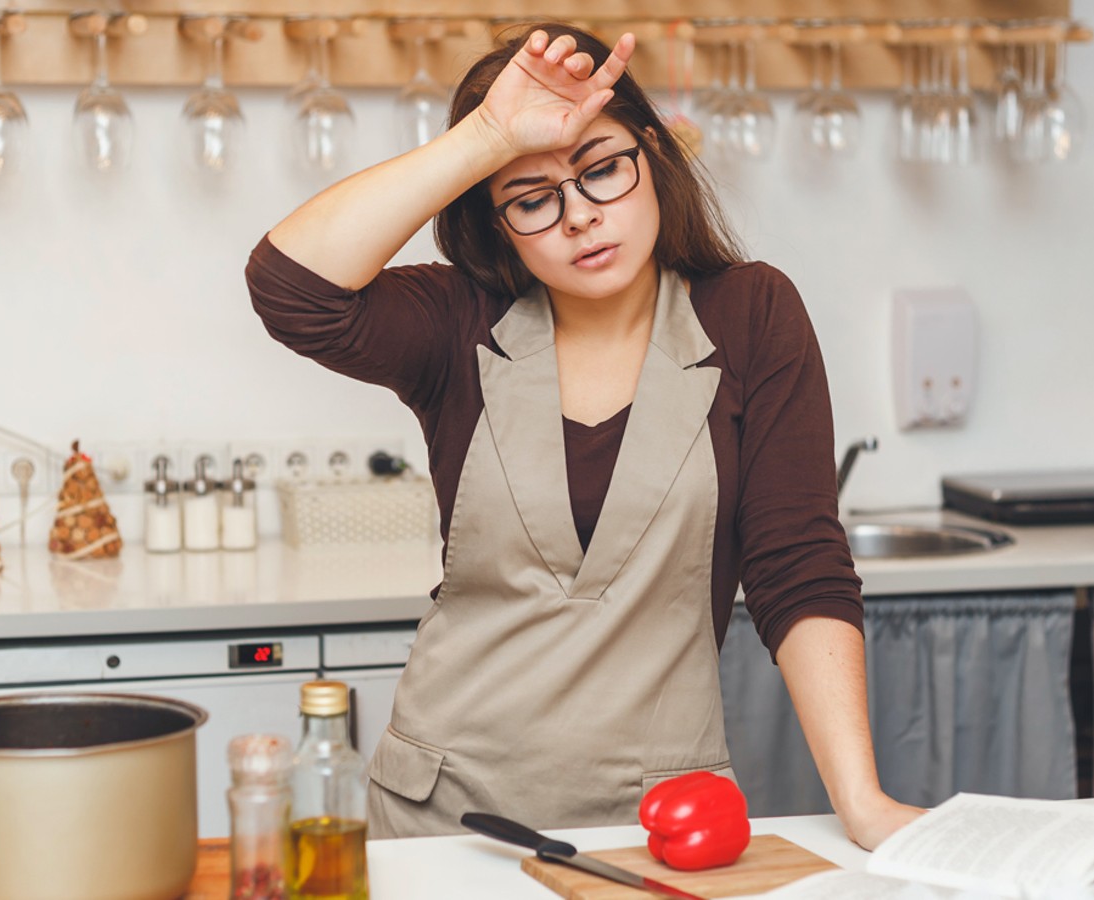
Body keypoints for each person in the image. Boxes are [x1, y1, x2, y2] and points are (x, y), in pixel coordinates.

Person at [246, 22, 922, 848]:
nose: (580, 217)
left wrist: (861, 802)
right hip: (442, 812)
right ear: (497, 224)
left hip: (661, 818)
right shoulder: (461, 322)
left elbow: (798, 566)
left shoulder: (749, 314)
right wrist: (490, 137)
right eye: (532, 199)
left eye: (602, 170)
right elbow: (290, 288)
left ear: (654, 157)